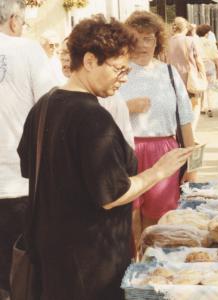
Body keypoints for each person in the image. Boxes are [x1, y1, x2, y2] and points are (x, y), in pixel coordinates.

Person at [17, 16, 191, 300]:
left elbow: (30, 167)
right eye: (119, 70)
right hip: (90, 263)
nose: (123, 79)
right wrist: (159, 171)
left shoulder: (45, 104)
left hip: (53, 255)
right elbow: (113, 193)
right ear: (88, 61)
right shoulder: (92, 117)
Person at [120, 11, 196, 245]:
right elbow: (99, 113)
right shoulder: (118, 72)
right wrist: (126, 107)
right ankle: (133, 266)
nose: (142, 45)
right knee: (129, 217)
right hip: (127, 150)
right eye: (136, 38)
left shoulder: (170, 73)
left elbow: (185, 120)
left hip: (165, 151)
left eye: (148, 38)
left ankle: (154, 268)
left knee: (160, 219)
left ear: (158, 41)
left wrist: (192, 165)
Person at [0, 1, 57, 298]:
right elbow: (51, 106)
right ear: (13, 20)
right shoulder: (27, 50)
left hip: (15, 180)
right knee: (21, 273)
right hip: (18, 180)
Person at [58, 37, 135, 149]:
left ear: (89, 61)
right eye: (63, 53)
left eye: (70, 53)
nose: (66, 58)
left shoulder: (111, 98)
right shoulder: (48, 99)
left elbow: (126, 144)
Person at [166, 17, 205, 134]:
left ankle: (178, 132)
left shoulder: (166, 42)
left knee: (176, 107)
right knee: (196, 104)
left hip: (171, 79)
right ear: (186, 27)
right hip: (189, 78)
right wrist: (202, 76)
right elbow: (199, 61)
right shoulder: (190, 41)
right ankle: (191, 132)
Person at [196, 23, 218, 118]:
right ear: (206, 33)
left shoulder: (195, 42)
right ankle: (210, 107)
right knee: (210, 89)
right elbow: (216, 57)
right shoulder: (211, 43)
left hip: (199, 66)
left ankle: (201, 107)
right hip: (210, 66)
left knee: (201, 88)